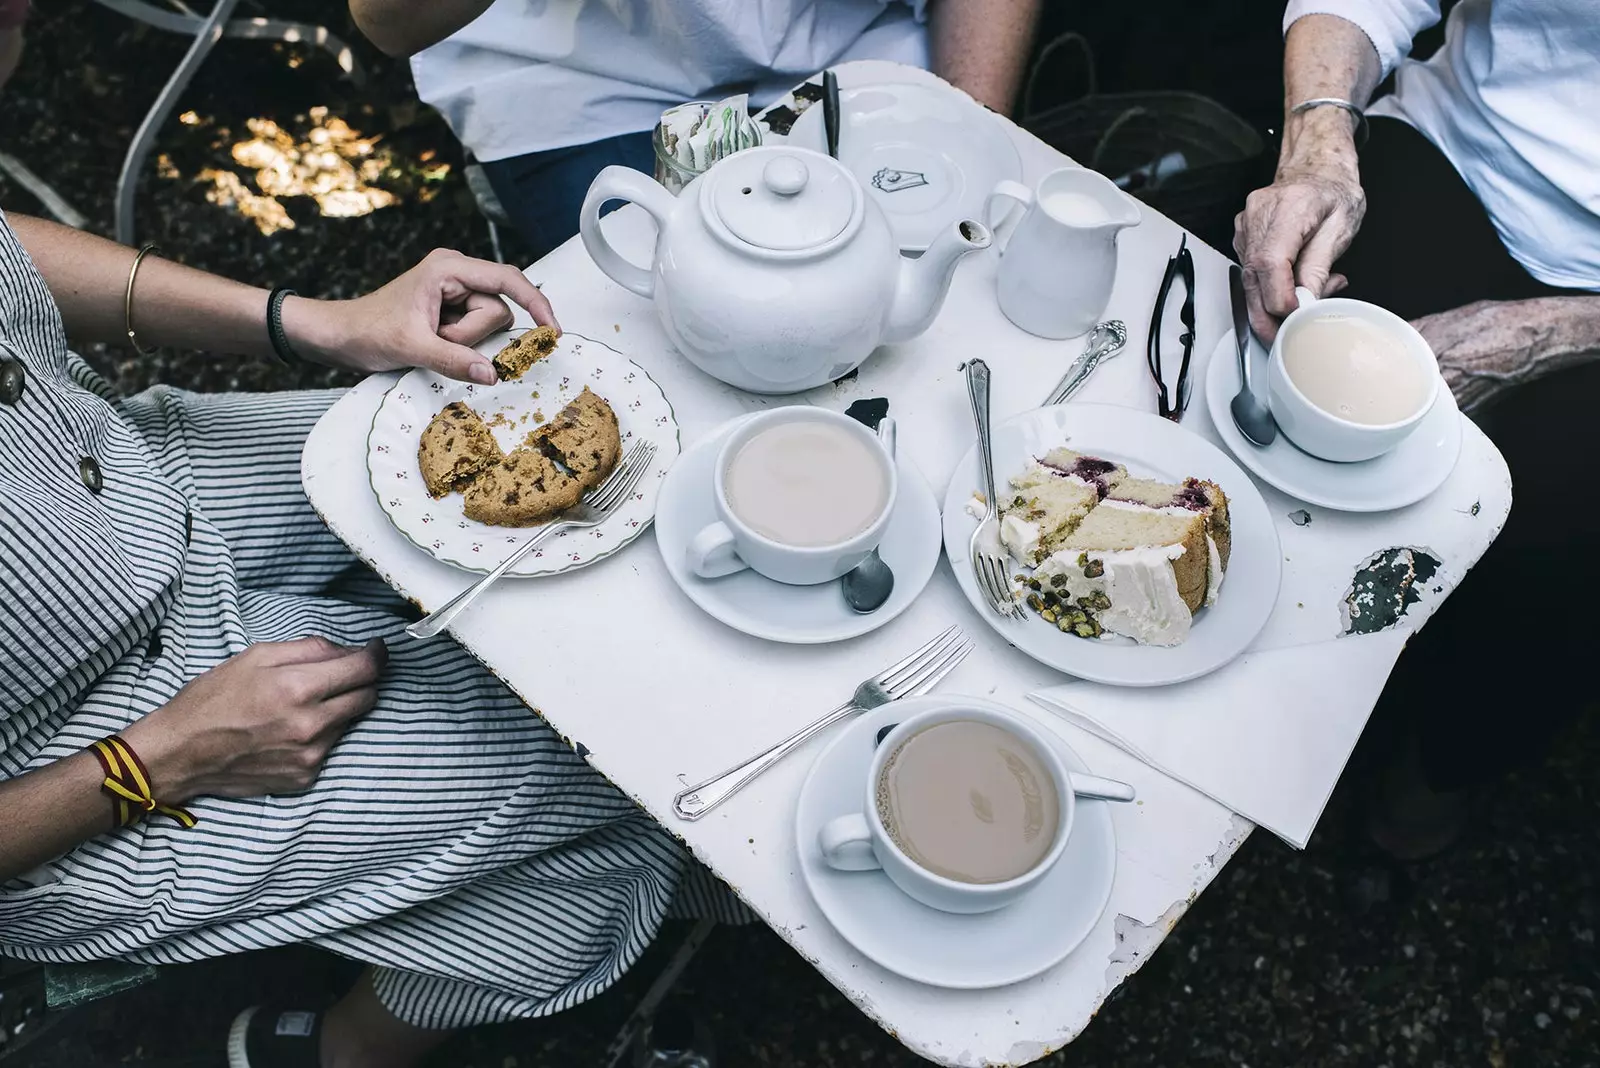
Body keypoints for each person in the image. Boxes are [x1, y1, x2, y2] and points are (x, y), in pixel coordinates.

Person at [0, 214, 737, 1068]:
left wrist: (316, 321)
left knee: (575, 536)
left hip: (136, 479)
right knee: (614, 774)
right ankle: (341, 1050)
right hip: (86, 748)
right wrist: (160, 759)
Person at [1235, 1, 1599, 858]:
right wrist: (1318, 146)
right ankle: (1239, 690)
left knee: (1550, 552)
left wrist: (1552, 332)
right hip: (1457, 148)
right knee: (1269, 357)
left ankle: (1434, 774)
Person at [349, 0, 1043, 259]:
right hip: (582, 80)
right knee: (685, 323)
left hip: (857, 43)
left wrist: (968, 118)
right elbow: (386, 20)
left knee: (942, 274)